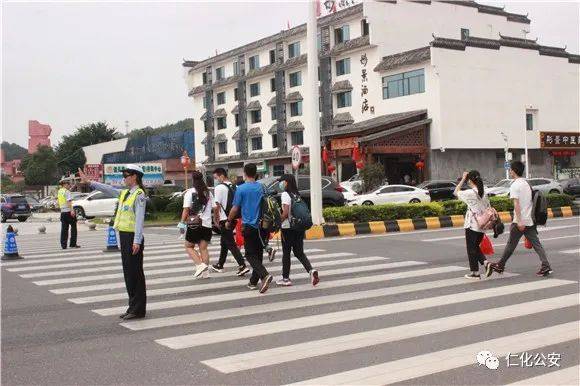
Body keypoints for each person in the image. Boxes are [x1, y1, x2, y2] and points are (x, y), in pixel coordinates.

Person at [78, 165, 147, 320]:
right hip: (124, 236)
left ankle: (138, 309)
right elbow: (107, 189)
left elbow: (139, 220)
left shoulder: (139, 194)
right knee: (128, 274)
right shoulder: (125, 193)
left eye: (126, 175)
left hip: (132, 238)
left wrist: (137, 241)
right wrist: (89, 182)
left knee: (135, 274)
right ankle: (132, 307)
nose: (124, 177)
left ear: (134, 176)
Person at [488, 161, 553, 277]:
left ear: (513, 171)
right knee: (537, 245)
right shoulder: (526, 184)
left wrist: (519, 221)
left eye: (511, 170)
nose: (510, 171)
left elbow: (516, 205)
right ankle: (546, 266)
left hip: (520, 221)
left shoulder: (515, 185)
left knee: (510, 245)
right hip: (529, 220)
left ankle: (500, 265)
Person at [226, 163, 273, 293]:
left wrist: (229, 221)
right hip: (263, 225)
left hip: (250, 226)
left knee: (249, 254)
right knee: (258, 253)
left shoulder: (241, 189)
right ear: (255, 173)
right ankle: (253, 282)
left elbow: (235, 208)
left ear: (245, 173)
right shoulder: (262, 187)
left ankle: (265, 275)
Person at [276, 174, 319, 287]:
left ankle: (285, 278)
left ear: (286, 182)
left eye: (282, 181)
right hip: (299, 227)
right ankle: (311, 270)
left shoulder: (285, 194)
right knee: (299, 252)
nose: (280, 183)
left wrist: (277, 222)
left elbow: (285, 213)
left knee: (286, 253)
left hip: (288, 228)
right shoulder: (297, 194)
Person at [211, 168, 249, 276]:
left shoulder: (219, 188)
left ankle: (242, 265)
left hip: (224, 219)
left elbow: (217, 205)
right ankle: (220, 264)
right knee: (224, 242)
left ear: (221, 176)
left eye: (216, 177)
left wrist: (215, 219)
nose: (216, 180)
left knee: (230, 243)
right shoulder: (234, 186)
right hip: (234, 218)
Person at [454, 170, 492, 279]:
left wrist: (462, 179)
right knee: (475, 247)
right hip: (482, 225)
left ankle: (475, 273)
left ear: (470, 180)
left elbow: (456, 192)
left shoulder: (470, 193)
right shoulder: (484, 192)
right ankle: (486, 263)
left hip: (472, 224)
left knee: (471, 249)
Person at [178, 170, 216, 279]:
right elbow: (215, 207)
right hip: (207, 224)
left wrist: (182, 222)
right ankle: (206, 273)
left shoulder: (189, 192)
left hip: (194, 224)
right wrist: (216, 219)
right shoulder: (208, 192)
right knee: (203, 248)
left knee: (188, 246)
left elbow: (186, 210)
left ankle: (200, 265)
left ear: (193, 180)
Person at [57, 177, 80, 249]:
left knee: (64, 229)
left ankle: (63, 245)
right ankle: (73, 244)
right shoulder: (67, 192)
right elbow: (69, 201)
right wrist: (72, 210)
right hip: (68, 212)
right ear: (64, 184)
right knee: (73, 227)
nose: (69, 185)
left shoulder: (60, 191)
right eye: (68, 184)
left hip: (62, 213)